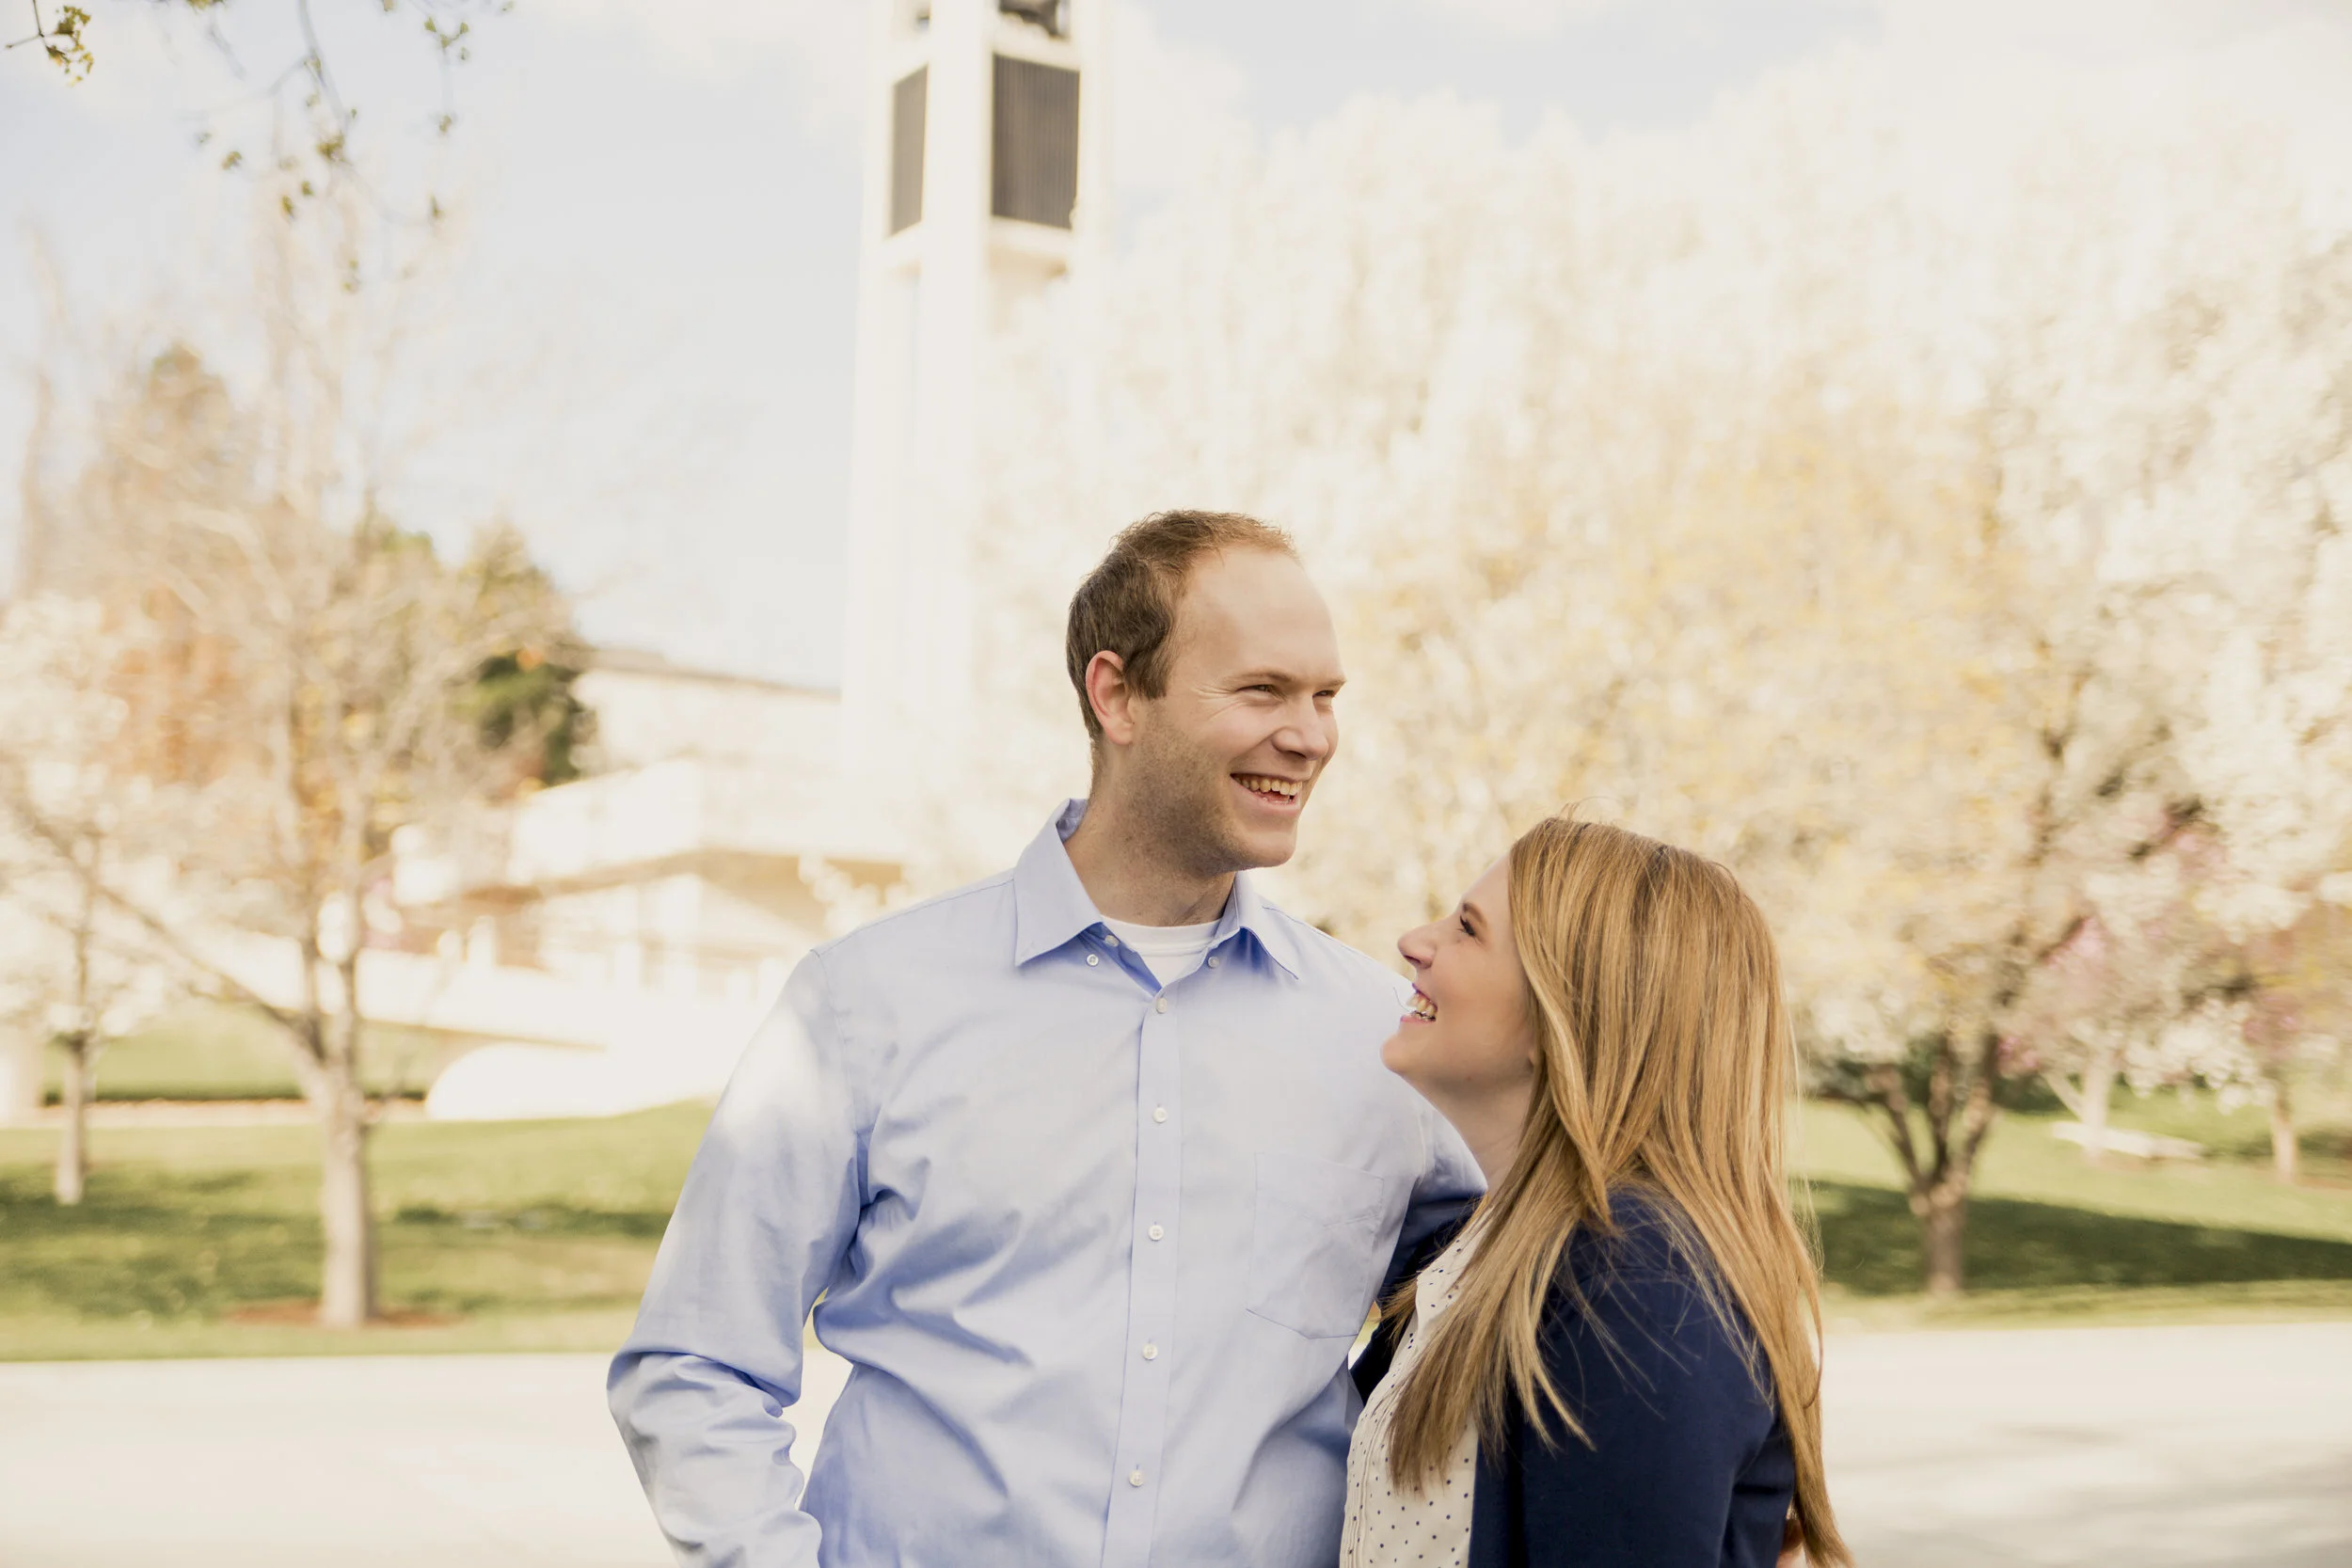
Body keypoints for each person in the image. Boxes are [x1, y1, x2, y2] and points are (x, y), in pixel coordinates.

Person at [609, 510, 1482, 1566]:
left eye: (1324, 696)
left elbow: (1515, 1289)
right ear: (1115, 693)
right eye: (1260, 690)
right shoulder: (866, 1001)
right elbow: (695, 1367)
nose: (1309, 734)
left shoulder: (1382, 1037)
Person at [1346, 817, 1849, 1568]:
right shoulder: (1480, 1249)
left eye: (1467, 929)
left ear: (1560, 1017)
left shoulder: (1636, 1282)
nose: (1416, 941)